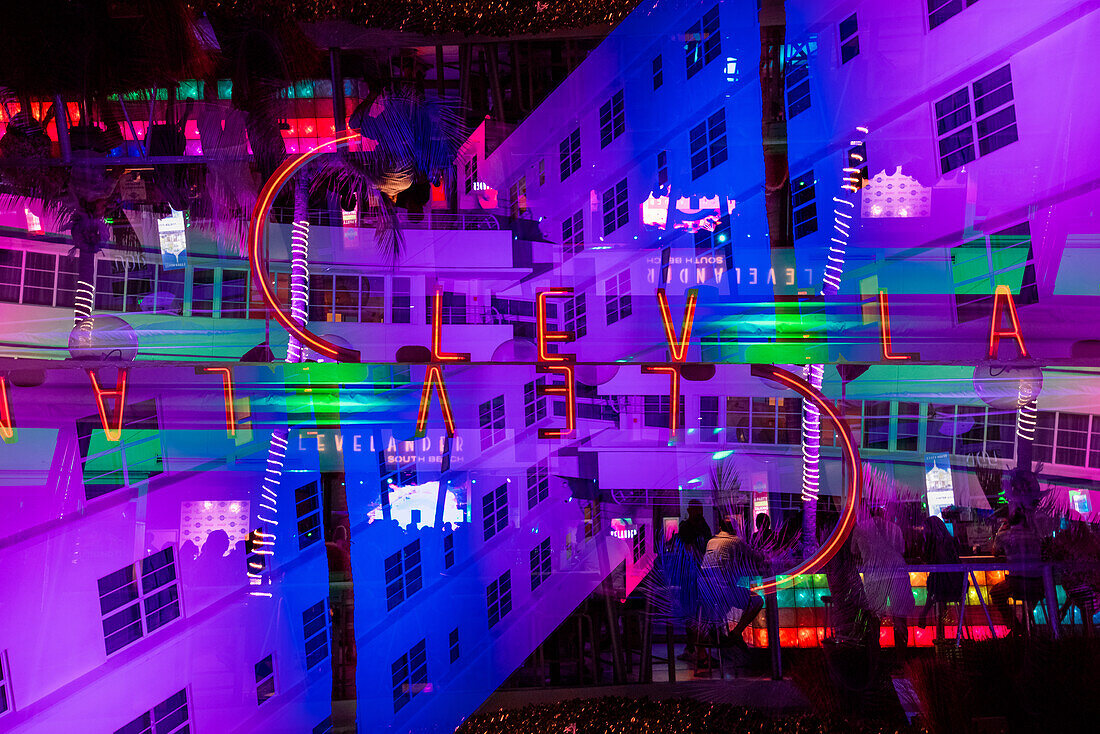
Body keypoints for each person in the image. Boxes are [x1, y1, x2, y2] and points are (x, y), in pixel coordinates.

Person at [699, 517, 764, 653]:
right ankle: (736, 633)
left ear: (720, 528)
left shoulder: (711, 541)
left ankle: (716, 631)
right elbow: (756, 557)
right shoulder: (735, 541)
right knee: (757, 601)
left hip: (706, 592)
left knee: (726, 599)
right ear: (734, 529)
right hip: (723, 592)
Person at [853, 507, 914, 651]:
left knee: (874, 615)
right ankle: (901, 656)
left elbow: (853, 552)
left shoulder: (860, 528)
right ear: (883, 514)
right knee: (899, 615)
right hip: (897, 573)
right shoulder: (894, 528)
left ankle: (874, 653)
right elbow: (901, 550)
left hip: (874, 575)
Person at [989, 507, 1044, 636]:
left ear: (1008, 521)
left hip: (1017, 584)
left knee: (996, 593)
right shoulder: (1035, 535)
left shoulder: (1005, 535)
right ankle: (1025, 626)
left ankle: (1016, 627)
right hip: (1038, 584)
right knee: (1032, 596)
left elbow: (995, 552)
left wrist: (999, 532)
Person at [674, 500, 712, 664]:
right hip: (693, 576)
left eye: (700, 509)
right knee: (694, 614)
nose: (699, 512)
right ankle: (696, 650)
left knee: (693, 614)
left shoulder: (699, 526)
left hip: (694, 576)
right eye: (697, 509)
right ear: (690, 510)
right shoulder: (691, 527)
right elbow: (691, 550)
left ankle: (695, 650)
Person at [918, 515, 965, 640]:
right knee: (935, 579)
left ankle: (928, 616)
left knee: (934, 579)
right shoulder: (951, 541)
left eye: (925, 528)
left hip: (944, 588)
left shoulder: (935, 545)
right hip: (957, 584)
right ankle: (937, 618)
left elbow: (928, 560)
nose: (923, 530)